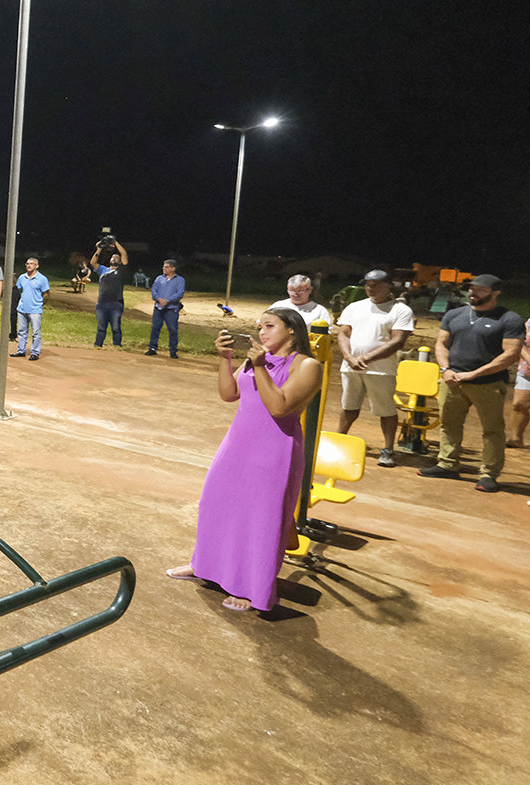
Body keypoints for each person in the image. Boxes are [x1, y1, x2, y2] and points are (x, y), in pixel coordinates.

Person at [167, 308, 322, 613]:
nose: (262, 332)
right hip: (236, 446)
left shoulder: (307, 366)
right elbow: (229, 394)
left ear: (292, 329)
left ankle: (251, 588)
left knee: (259, 520)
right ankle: (204, 565)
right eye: (259, 327)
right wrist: (225, 359)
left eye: (270, 326)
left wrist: (260, 366)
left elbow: (279, 407)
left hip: (273, 452)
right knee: (215, 505)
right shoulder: (256, 360)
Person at [420, 274, 525, 492]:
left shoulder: (509, 319)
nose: (473, 293)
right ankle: (447, 464)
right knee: (449, 424)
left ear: (495, 293)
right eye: (472, 288)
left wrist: (475, 374)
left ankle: (489, 474)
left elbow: (511, 354)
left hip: (488, 384)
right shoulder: (454, 314)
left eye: (480, 290)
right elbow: (441, 344)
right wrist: (446, 369)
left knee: (492, 429)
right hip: (452, 381)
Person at [335, 270, 415, 467]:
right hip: (351, 367)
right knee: (348, 407)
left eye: (376, 285)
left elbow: (398, 341)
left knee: (385, 409)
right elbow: (343, 334)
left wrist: (366, 358)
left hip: (380, 370)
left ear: (389, 286)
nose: (371, 288)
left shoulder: (400, 310)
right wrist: (349, 357)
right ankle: (338, 441)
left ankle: (387, 449)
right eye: (368, 285)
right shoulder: (355, 307)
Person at [90, 238, 129, 347]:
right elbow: (93, 262)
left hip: (116, 303)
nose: (114, 258)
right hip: (101, 303)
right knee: (101, 327)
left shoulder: (121, 270)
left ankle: (117, 345)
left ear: (120, 262)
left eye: (116, 257)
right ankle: (98, 345)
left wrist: (114, 242)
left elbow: (123, 253)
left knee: (116, 327)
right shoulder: (103, 270)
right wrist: (99, 248)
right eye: (112, 257)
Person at [12, 257, 51, 360]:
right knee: (21, 331)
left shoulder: (42, 279)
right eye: (27, 264)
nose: (29, 265)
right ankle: (21, 350)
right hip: (22, 309)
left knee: (36, 332)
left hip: (35, 310)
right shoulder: (22, 277)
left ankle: (35, 352)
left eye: (31, 264)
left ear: (37, 266)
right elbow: (19, 289)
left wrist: (40, 304)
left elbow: (46, 294)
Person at [147, 259, 186, 358]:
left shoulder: (180, 280)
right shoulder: (159, 278)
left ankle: (173, 351)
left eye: (166, 267)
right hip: (158, 307)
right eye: (164, 266)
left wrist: (168, 300)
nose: (164, 268)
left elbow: (180, 293)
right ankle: (152, 348)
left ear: (173, 268)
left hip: (171, 309)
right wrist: (159, 299)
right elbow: (153, 291)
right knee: (155, 328)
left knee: (173, 329)